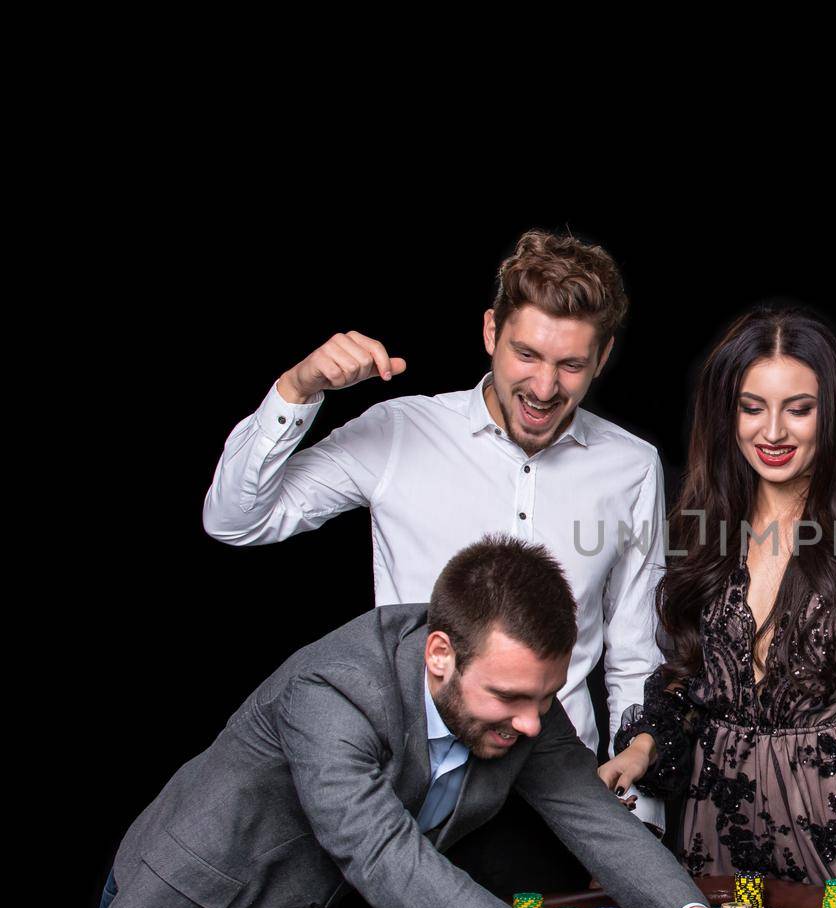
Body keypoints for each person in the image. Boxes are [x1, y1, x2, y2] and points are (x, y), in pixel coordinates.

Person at [80, 536, 750, 908]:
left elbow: (600, 819)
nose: (529, 723)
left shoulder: (525, 711)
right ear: (439, 655)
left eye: (543, 698)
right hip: (199, 903)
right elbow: (383, 856)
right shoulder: (335, 689)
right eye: (509, 698)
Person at [201, 228, 667, 831]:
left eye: (571, 364)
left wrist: (642, 813)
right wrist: (297, 389)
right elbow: (237, 520)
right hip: (406, 793)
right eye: (526, 354)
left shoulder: (632, 465)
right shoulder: (401, 431)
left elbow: (635, 653)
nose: (545, 388)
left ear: (602, 359)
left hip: (553, 797)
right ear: (490, 333)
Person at [600, 306, 836, 902]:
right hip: (716, 820)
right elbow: (691, 671)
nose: (773, 432)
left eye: (798, 409)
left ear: (833, 412)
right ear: (728, 412)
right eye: (753, 407)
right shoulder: (702, 518)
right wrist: (645, 746)